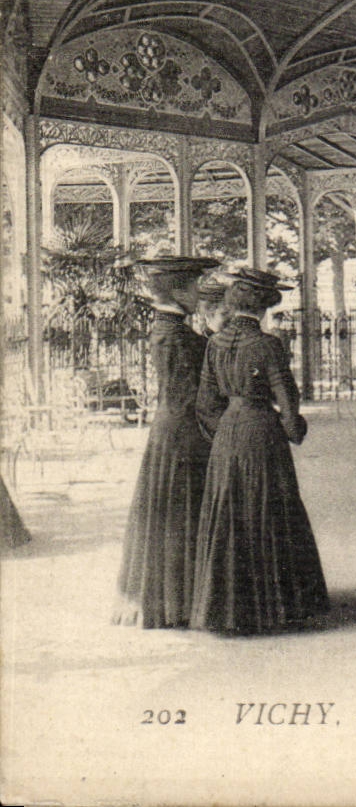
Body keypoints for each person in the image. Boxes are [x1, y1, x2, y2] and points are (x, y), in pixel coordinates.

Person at [191, 267, 328, 635]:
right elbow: (287, 398)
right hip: (261, 433)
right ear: (264, 305)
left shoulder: (214, 343)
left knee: (230, 512)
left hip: (228, 435)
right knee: (269, 507)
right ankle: (276, 606)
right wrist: (293, 429)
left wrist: (226, 433)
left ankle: (227, 609)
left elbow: (205, 403)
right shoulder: (268, 345)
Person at [114, 254, 220, 628]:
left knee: (171, 514)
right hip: (185, 432)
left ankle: (179, 599)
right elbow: (191, 396)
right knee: (182, 512)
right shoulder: (178, 337)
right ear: (177, 291)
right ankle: (182, 602)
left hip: (171, 428)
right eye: (192, 287)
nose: (197, 294)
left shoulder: (168, 329)